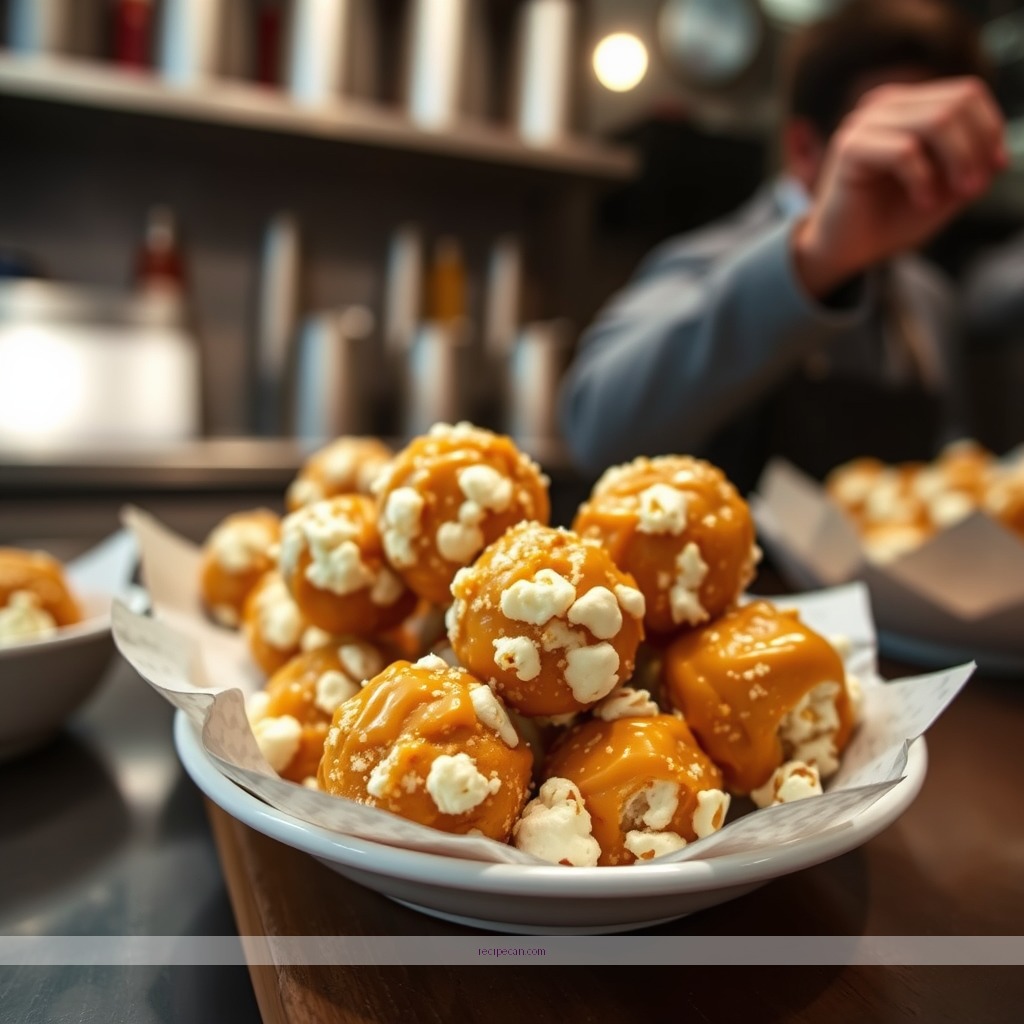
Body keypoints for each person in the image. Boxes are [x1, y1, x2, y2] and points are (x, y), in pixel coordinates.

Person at [558, 0, 1008, 494]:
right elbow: (595, 430)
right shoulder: (709, 260)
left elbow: (946, 472)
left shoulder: (926, 298)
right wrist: (818, 255)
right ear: (804, 149)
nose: (918, 173)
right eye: (897, 140)